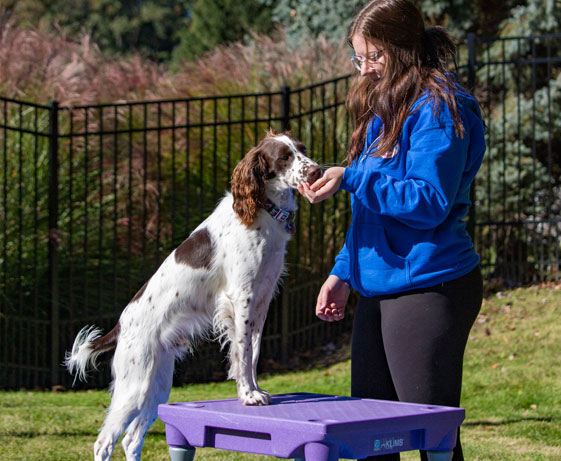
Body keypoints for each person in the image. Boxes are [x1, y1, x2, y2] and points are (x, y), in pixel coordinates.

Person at [297, 1, 486, 460]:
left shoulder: (441, 107)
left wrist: (352, 176)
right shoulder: (385, 107)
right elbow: (371, 212)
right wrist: (343, 272)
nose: (365, 69)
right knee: (369, 436)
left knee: (431, 437)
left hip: (429, 285)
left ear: (403, 50)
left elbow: (429, 201)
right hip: (380, 287)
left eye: (375, 56)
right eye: (359, 57)